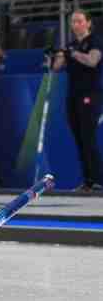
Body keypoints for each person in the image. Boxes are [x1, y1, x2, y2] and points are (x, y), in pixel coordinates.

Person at [53, 10, 103, 192]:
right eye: (73, 22)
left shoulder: (95, 41)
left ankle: (98, 179)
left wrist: (72, 53)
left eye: (80, 21)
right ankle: (88, 180)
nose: (76, 25)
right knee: (79, 138)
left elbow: (92, 61)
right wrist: (57, 55)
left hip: (90, 94)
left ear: (88, 23)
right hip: (73, 95)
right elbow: (56, 67)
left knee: (88, 137)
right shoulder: (71, 44)